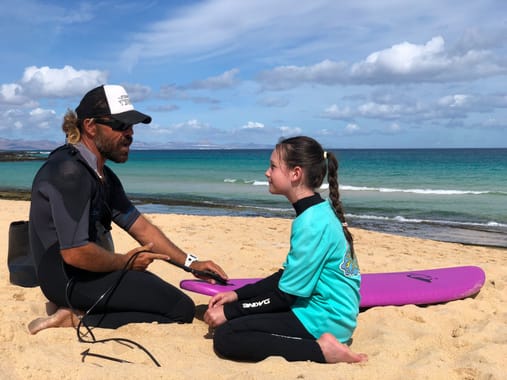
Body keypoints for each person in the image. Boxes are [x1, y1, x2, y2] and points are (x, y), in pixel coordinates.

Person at [28, 84, 227, 334]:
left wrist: (192, 263)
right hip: (65, 279)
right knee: (180, 308)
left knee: (163, 296)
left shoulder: (102, 175)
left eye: (131, 126)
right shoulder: (69, 172)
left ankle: (80, 310)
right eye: (121, 125)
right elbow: (75, 253)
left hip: (87, 273)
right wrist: (125, 262)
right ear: (90, 126)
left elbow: (140, 226)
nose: (130, 133)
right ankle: (77, 318)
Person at [203, 136, 367, 364]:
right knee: (237, 320)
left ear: (295, 173)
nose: (266, 173)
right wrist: (237, 295)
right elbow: (286, 277)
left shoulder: (311, 223)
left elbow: (285, 295)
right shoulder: (318, 210)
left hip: (324, 319)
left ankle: (323, 351)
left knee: (228, 335)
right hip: (330, 313)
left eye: (272, 167)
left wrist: (230, 312)